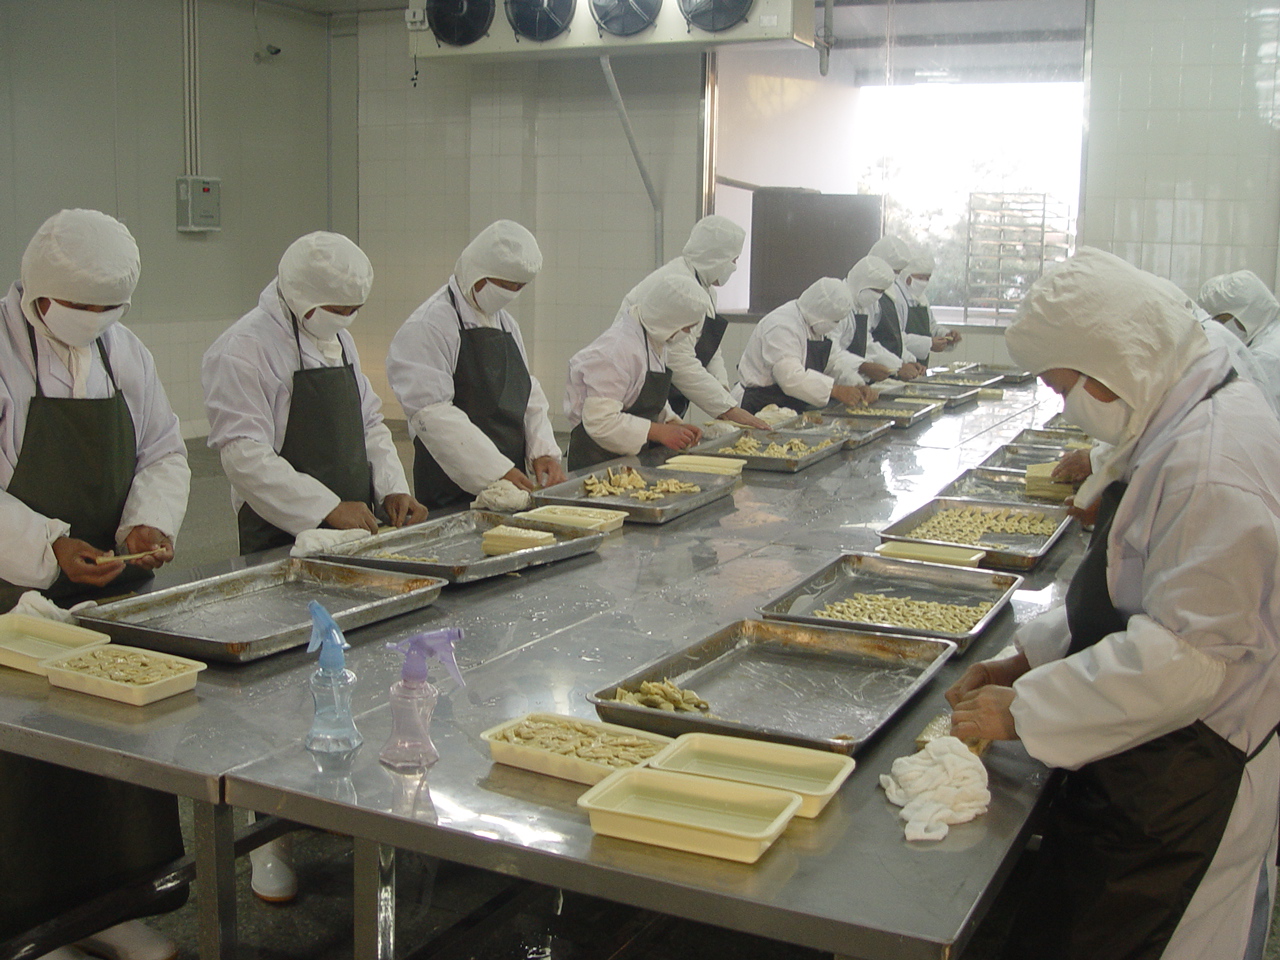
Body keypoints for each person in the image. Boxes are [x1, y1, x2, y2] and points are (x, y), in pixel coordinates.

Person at [947, 248, 1280, 960]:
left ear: (1111, 369)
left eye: (1065, 388)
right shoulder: (1177, 404)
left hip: (1193, 777)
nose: (1067, 406)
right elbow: (1134, 584)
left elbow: (1186, 661)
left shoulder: (1212, 467)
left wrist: (1028, 708)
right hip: (1150, 752)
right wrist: (1030, 658)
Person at [0, 210, 191, 960]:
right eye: (81, 310)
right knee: (26, 765)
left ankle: (113, 907)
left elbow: (165, 449)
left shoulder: (124, 351)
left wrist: (144, 524)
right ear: (38, 296)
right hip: (13, 594)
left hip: (104, 588)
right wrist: (48, 545)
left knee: (116, 753)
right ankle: (32, 926)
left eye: (110, 310)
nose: (96, 324)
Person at [203, 232, 427, 557]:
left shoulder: (341, 339)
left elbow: (368, 424)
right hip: (280, 534)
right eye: (336, 310)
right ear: (299, 295)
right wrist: (326, 508)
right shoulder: (243, 349)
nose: (344, 320)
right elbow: (244, 456)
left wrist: (391, 489)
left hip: (354, 528)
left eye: (353, 311)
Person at [387, 220, 565, 508]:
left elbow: (526, 391)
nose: (511, 293)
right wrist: (495, 471)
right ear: (477, 274)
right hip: (450, 487)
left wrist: (542, 451)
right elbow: (432, 415)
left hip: (511, 479)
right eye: (505, 286)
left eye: (519, 287)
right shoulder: (429, 325)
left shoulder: (506, 325)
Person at [618, 215, 768, 430]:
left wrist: (722, 389)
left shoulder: (705, 290)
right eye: (733, 260)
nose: (735, 267)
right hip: (638, 392)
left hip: (664, 396)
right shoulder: (677, 286)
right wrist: (728, 409)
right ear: (716, 257)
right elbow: (679, 360)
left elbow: (709, 348)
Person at [564, 274, 710, 470]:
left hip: (628, 459)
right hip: (596, 459)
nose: (687, 333)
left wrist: (670, 422)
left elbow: (644, 396)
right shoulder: (616, 351)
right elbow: (600, 422)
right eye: (686, 328)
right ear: (669, 320)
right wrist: (658, 432)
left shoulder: (653, 341)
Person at [733, 276, 880, 414]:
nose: (835, 325)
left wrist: (856, 384)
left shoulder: (814, 324)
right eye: (835, 321)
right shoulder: (782, 325)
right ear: (821, 312)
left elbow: (833, 362)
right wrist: (835, 390)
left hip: (787, 405)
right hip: (757, 405)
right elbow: (790, 378)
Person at [1199, 270, 1280, 413]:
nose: (1222, 327)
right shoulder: (1272, 332)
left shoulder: (1266, 356)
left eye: (1222, 320)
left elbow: (1255, 410)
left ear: (1245, 314)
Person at [839, 256, 926, 383]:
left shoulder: (862, 305)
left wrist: (899, 364)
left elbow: (868, 344)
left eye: (881, 292)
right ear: (861, 281)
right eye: (875, 290)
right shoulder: (837, 302)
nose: (877, 296)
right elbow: (832, 355)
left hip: (850, 378)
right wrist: (863, 366)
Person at [894, 253, 960, 363]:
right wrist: (928, 344)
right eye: (920, 278)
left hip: (920, 364)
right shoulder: (896, 297)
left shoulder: (921, 298)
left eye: (927, 278)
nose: (924, 282)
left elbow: (931, 327)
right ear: (907, 277)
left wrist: (945, 335)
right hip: (899, 364)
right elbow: (895, 338)